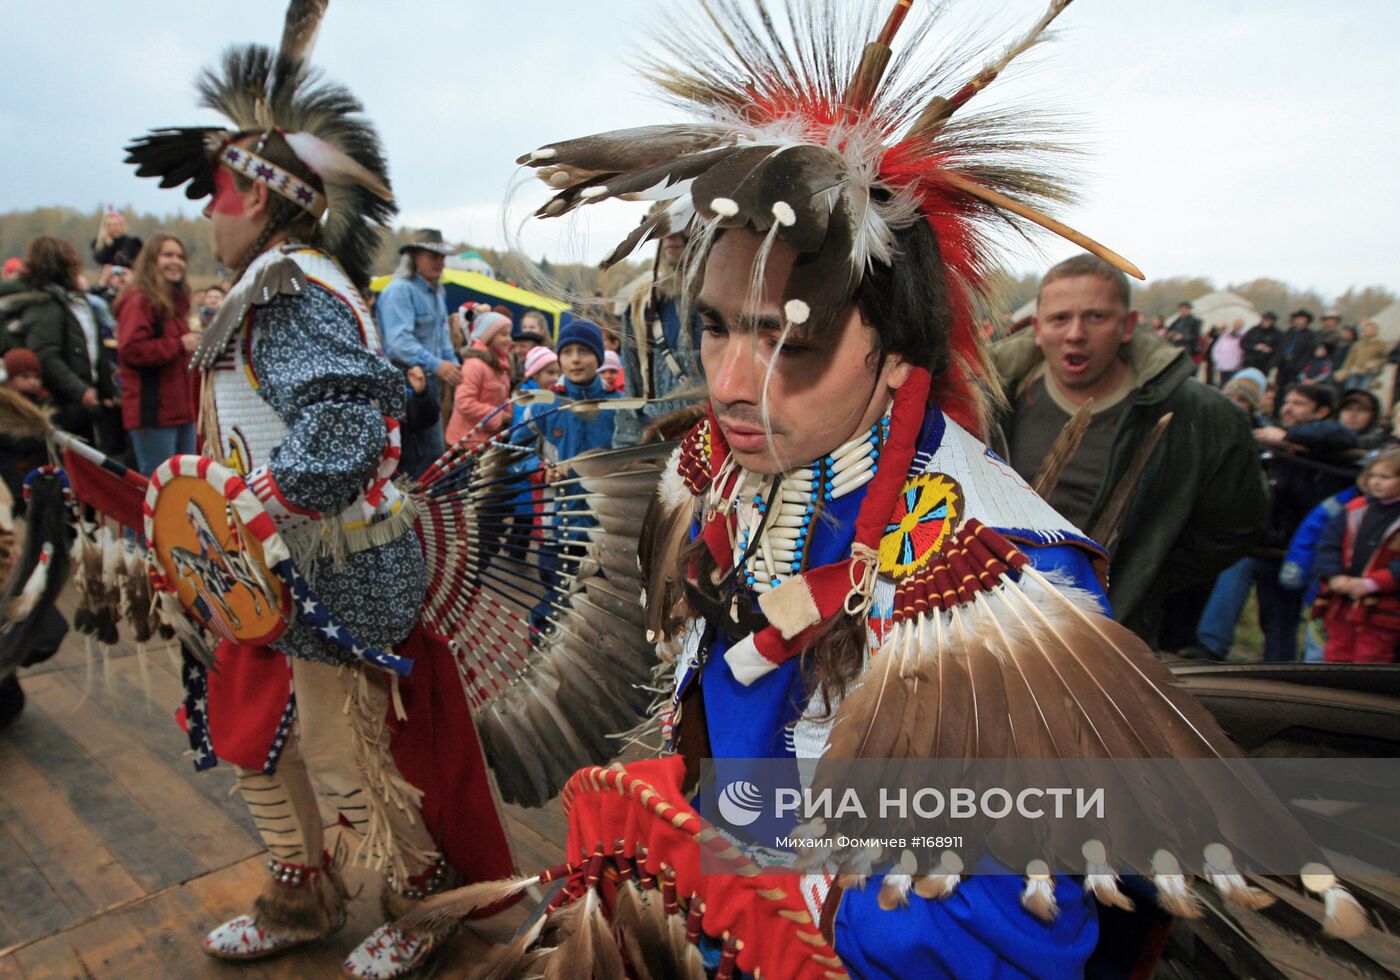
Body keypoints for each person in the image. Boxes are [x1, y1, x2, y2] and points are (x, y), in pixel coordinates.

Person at [122, 7, 512, 974]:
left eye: (217, 194)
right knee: (265, 740)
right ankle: (303, 895)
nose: (206, 213)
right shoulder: (276, 284)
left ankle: (426, 907)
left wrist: (248, 509)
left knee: (349, 756)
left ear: (260, 201)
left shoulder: (285, 291)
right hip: (283, 571)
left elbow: (348, 422)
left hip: (328, 574)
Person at [994, 254, 1268, 648]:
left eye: (1096, 317)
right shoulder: (988, 395)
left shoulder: (1200, 415)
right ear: (1037, 328)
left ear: (1128, 326)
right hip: (990, 623)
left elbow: (1233, 527)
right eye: (1059, 319)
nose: (1075, 333)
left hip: (1110, 636)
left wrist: (1140, 572)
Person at [0, 236, 117, 445]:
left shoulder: (72, 301)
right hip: (61, 407)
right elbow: (45, 354)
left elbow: (93, 347)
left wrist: (105, 390)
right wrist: (81, 391)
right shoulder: (46, 305)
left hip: (78, 402)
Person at [114, 233, 198, 475]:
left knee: (187, 485)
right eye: (168, 255)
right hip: (153, 413)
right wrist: (178, 344)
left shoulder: (175, 302)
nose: (176, 262)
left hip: (182, 410)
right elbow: (132, 350)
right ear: (152, 260)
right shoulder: (139, 300)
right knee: (161, 487)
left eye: (181, 257)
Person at [376, 229, 458, 476]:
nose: (440, 262)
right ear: (414, 257)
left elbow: (442, 334)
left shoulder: (437, 291)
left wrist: (452, 363)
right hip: (404, 383)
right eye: (433, 255)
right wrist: (437, 364)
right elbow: (398, 342)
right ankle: (413, 508)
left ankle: (419, 508)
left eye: (442, 256)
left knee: (432, 453)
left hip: (427, 382)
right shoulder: (399, 290)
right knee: (414, 455)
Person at [613, 229, 704, 447]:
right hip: (658, 440)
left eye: (681, 225)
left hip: (716, 439)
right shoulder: (643, 305)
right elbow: (633, 385)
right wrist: (628, 449)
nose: (671, 235)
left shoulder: (733, 298)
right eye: (664, 229)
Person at [1314, 448, 1400, 664]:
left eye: (1385, 477)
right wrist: (1334, 576)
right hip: (1342, 600)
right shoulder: (1355, 509)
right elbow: (1329, 543)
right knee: (1335, 655)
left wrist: (1374, 583)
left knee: (1371, 660)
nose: (1376, 482)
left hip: (1384, 609)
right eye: (1372, 476)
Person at [444, 309, 512, 450]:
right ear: (489, 336)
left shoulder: (500, 366)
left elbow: (501, 397)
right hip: (465, 442)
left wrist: (512, 409)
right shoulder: (475, 364)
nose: (509, 339)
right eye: (503, 335)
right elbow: (465, 402)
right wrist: (499, 416)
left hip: (485, 441)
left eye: (509, 334)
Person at [1273, 309, 1317, 395]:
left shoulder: (1310, 335)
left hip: (1295, 367)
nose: (1299, 321)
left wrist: (1299, 366)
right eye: (1297, 318)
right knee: (1278, 388)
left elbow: (1308, 353)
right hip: (1283, 364)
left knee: (1290, 389)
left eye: (1302, 319)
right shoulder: (1289, 332)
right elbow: (1281, 348)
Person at [1335, 319, 1386, 391]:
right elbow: (1350, 359)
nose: (1367, 331)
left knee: (1362, 393)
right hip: (1354, 373)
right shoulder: (1357, 344)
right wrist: (1343, 371)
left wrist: (1375, 363)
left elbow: (1384, 359)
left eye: (1370, 330)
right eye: (1365, 330)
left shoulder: (1380, 345)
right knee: (1350, 392)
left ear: (1375, 331)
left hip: (1368, 373)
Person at [1208, 317, 1245, 384]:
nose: (1236, 326)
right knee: (1222, 383)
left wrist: (1238, 363)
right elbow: (1217, 348)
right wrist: (1218, 360)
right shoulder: (1225, 335)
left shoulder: (1243, 337)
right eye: (1235, 324)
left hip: (1235, 367)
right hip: (1222, 366)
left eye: (1238, 324)